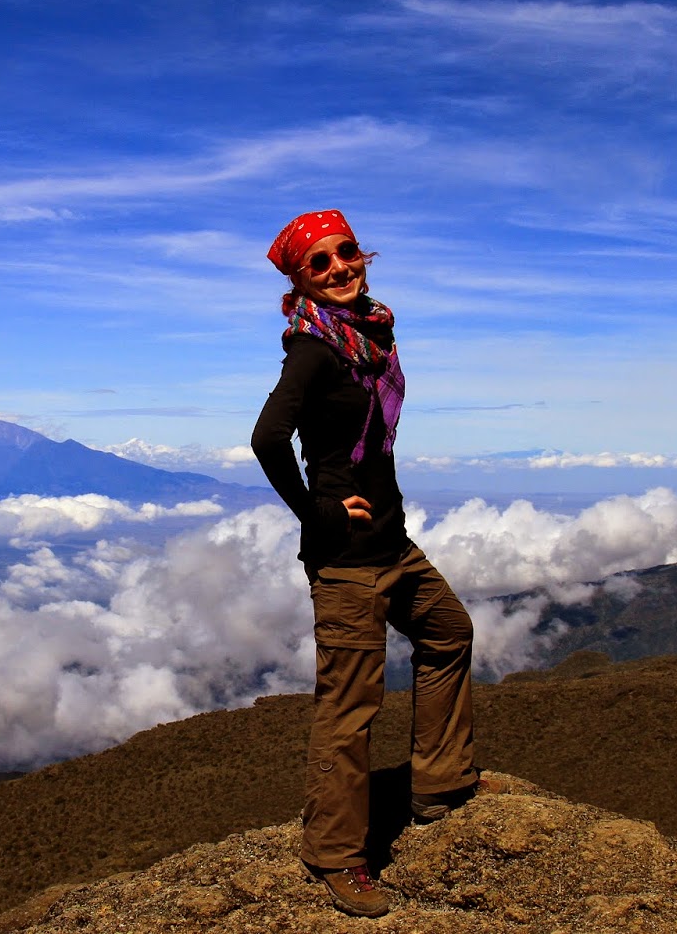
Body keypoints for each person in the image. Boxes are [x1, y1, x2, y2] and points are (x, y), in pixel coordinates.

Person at [250, 209, 479, 919]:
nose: (340, 269)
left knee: (449, 633)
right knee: (350, 710)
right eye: (319, 263)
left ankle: (439, 785)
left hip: (393, 544)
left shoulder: (370, 336)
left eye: (346, 253)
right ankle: (336, 855)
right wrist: (316, 514)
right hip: (347, 562)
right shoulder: (314, 349)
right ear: (300, 279)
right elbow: (267, 439)